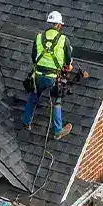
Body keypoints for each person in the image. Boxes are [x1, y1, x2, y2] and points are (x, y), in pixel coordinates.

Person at [22, 11, 73, 140]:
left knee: (33, 97)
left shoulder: (39, 37)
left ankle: (26, 122)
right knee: (56, 102)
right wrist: (67, 65)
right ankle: (57, 131)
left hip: (38, 75)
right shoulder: (63, 39)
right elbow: (67, 61)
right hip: (53, 78)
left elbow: (34, 57)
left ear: (49, 24)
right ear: (59, 25)